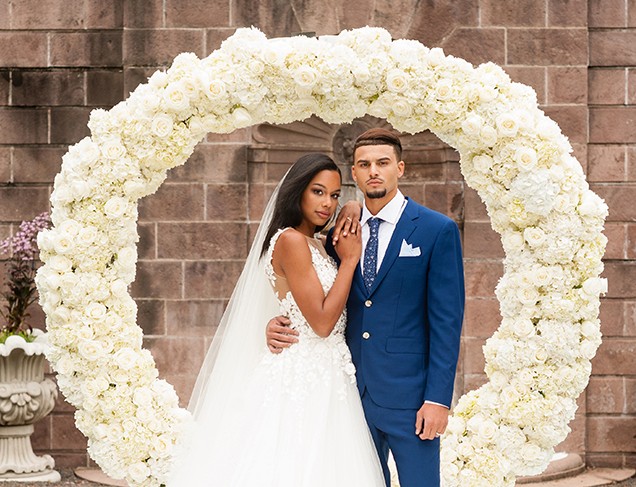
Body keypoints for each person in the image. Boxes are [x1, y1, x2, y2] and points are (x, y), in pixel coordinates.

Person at [167, 153, 385, 486]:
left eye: (334, 194)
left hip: (332, 372)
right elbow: (322, 323)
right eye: (318, 192)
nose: (328, 203)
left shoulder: (318, 243)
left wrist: (353, 206)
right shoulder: (291, 241)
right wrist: (351, 261)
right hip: (303, 374)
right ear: (297, 191)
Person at [266, 128, 465, 487]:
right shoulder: (336, 236)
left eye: (383, 163)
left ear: (400, 168)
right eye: (364, 164)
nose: (374, 171)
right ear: (354, 174)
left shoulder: (437, 230)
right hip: (347, 397)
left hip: (410, 400)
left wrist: (438, 399)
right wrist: (275, 322)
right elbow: (309, 294)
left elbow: (447, 323)